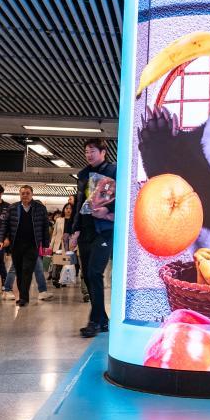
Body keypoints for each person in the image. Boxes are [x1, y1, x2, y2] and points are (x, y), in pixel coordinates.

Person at [71, 139, 117, 337]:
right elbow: (78, 204)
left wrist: (107, 210)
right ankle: (103, 320)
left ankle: (94, 322)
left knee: (94, 273)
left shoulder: (114, 171)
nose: (89, 155)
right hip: (86, 230)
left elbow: (123, 197)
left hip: (104, 229)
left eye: (92, 151)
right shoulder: (82, 176)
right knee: (88, 277)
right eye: (86, 151)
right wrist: (74, 230)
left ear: (103, 152)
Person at [0, 186, 50, 307]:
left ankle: (23, 298)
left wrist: (46, 246)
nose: (25, 195)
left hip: (32, 245)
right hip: (16, 245)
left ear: (32, 194)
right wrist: (0, 239)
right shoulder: (13, 208)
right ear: (19, 195)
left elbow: (45, 228)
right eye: (22, 193)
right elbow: (4, 226)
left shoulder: (40, 208)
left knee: (27, 270)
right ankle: (23, 295)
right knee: (20, 271)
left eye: (27, 193)